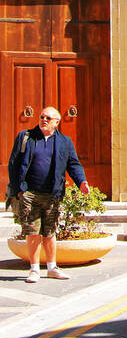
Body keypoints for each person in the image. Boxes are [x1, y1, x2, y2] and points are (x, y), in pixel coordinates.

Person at [6, 107, 89, 282]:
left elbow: (73, 164)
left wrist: (81, 181)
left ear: (56, 122)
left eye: (48, 118)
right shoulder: (26, 137)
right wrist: (18, 190)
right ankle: (34, 270)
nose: (44, 119)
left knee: (50, 232)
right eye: (42, 117)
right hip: (29, 193)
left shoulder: (65, 142)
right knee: (33, 231)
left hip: (52, 194)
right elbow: (13, 164)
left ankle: (52, 268)